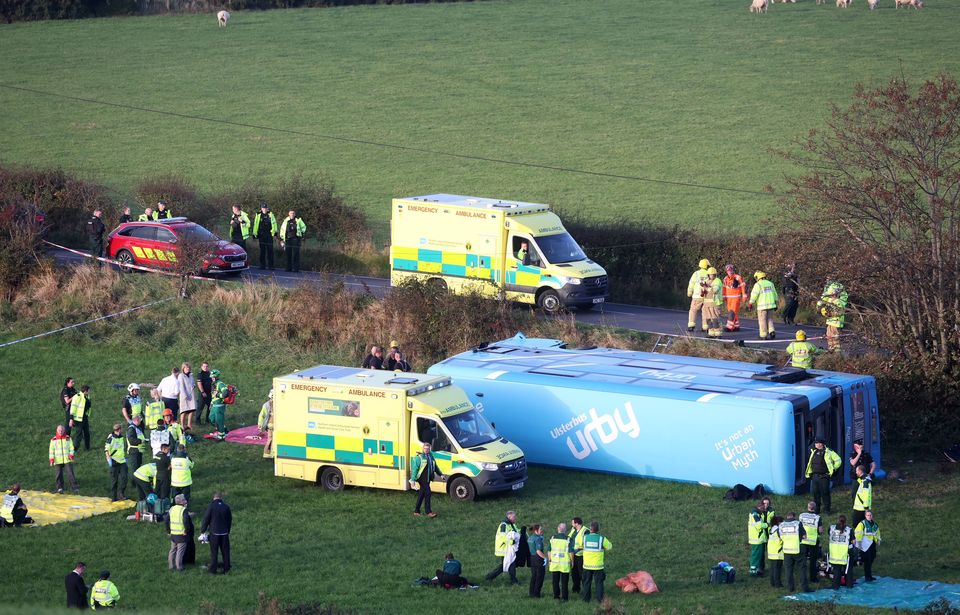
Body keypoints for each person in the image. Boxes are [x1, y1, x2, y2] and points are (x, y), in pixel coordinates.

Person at [805, 437, 842, 515]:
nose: (816, 444)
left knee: (825, 493)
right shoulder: (813, 451)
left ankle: (827, 510)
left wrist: (833, 469)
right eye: (816, 443)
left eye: (818, 443)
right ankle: (817, 509)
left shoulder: (829, 452)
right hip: (815, 476)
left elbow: (838, 460)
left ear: (822, 444)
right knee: (815, 493)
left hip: (824, 476)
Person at [200, 492, 233, 574]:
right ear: (221, 498)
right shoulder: (226, 507)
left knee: (214, 552)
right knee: (225, 551)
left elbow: (206, 519)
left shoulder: (211, 507)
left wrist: (203, 530)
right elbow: (229, 520)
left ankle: (213, 570)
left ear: (214, 498)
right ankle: (227, 568)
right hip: (224, 533)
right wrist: (228, 530)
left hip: (214, 533)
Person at [485, 510, 520, 584]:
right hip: (505, 548)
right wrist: (511, 542)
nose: (515, 518)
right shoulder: (504, 525)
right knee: (510, 563)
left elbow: (516, 532)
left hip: (508, 548)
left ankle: (490, 576)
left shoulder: (511, 524)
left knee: (506, 564)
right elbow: (503, 536)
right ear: (509, 517)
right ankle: (513, 580)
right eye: (514, 517)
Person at [580, 521, 612, 603]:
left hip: (587, 565)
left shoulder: (585, 538)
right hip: (598, 566)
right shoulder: (602, 538)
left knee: (586, 583)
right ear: (598, 529)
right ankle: (600, 600)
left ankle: (586, 599)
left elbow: (579, 546)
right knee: (599, 583)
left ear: (590, 529)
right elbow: (609, 547)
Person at [410, 442, 444, 517]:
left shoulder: (431, 456)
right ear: (423, 449)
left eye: (428, 449)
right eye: (425, 448)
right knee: (428, 493)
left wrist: (441, 474)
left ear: (430, 449)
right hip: (422, 479)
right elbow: (415, 469)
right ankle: (428, 512)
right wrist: (413, 480)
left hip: (428, 478)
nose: (426, 450)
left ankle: (416, 511)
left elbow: (435, 467)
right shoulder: (419, 457)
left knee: (421, 494)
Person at [780, 512, 810, 593]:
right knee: (802, 569)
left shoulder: (782, 525)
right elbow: (804, 536)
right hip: (797, 549)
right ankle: (805, 588)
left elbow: (780, 537)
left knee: (788, 570)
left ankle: (791, 588)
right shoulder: (797, 524)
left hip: (786, 550)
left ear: (787, 517)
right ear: (794, 517)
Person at [817, 281, 849, 352]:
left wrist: (829, 312)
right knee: (829, 336)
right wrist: (820, 305)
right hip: (830, 322)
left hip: (836, 322)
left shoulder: (840, 301)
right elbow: (823, 300)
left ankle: (837, 352)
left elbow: (838, 311)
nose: (830, 295)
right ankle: (831, 349)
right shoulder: (829, 299)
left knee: (835, 338)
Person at [748, 271, 779, 340]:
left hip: (762, 307)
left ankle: (763, 335)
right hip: (771, 306)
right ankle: (771, 331)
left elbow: (754, 295)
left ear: (757, 277)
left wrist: (750, 303)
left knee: (762, 321)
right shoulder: (770, 283)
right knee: (769, 319)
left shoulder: (758, 285)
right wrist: (776, 303)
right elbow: (775, 294)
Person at [799, 500, 824, 586]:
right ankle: (813, 578)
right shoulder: (817, 517)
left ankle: (802, 577)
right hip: (813, 542)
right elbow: (820, 530)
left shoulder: (801, 516)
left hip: (803, 540)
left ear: (808, 507)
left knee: (803, 560)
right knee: (813, 561)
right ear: (815, 508)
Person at [50, 424, 79, 494]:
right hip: (57, 460)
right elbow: (51, 450)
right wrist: (51, 459)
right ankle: (60, 488)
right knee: (58, 475)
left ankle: (74, 487)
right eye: (59, 430)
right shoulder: (53, 440)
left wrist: (71, 455)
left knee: (70, 473)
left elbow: (71, 448)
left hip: (67, 459)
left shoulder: (68, 438)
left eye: (62, 430)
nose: (60, 431)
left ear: (64, 431)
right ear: (57, 431)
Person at [167, 494, 193, 571]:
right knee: (180, 551)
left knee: (172, 550)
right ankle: (179, 567)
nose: (186, 500)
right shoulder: (183, 510)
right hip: (181, 534)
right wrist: (186, 530)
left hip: (173, 533)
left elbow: (166, 520)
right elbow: (186, 521)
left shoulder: (172, 509)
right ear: (181, 502)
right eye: (184, 499)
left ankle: (171, 566)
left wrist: (168, 530)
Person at [548, 522, 573, 601]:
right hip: (564, 564)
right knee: (564, 582)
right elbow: (571, 552)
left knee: (555, 581)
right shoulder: (568, 539)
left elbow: (549, 551)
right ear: (565, 530)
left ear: (558, 529)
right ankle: (565, 598)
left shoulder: (552, 538)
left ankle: (556, 596)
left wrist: (550, 560)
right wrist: (572, 561)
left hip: (555, 563)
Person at [828, 515, 855, 589]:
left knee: (836, 571)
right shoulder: (849, 530)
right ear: (845, 521)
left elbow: (829, 536)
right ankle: (849, 585)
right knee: (848, 570)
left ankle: (836, 586)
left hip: (835, 553)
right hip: (846, 553)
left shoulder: (832, 528)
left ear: (838, 520)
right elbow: (853, 541)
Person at [854, 510, 881, 582]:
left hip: (872, 544)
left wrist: (878, 540)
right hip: (865, 545)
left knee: (872, 558)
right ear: (865, 516)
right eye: (868, 515)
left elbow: (877, 532)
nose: (869, 516)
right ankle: (867, 576)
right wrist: (859, 543)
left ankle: (869, 575)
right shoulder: (862, 524)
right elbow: (858, 533)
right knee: (867, 561)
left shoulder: (875, 524)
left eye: (870, 515)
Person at [686, 258, 712, 332]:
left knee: (693, 310)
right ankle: (705, 327)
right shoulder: (709, 274)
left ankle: (691, 325)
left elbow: (691, 284)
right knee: (706, 311)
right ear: (707, 266)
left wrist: (689, 292)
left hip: (697, 296)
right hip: (707, 296)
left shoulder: (696, 273)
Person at [104, 423, 128, 501]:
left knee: (124, 478)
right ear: (119, 430)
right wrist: (109, 460)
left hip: (122, 461)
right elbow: (106, 450)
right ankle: (114, 497)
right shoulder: (111, 438)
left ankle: (121, 493)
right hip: (114, 462)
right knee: (114, 481)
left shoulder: (121, 437)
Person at [748, 498, 771, 576]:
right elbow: (759, 526)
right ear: (760, 507)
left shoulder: (755, 513)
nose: (763, 510)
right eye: (762, 509)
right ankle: (753, 572)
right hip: (757, 539)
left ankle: (755, 570)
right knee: (756, 556)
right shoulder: (755, 514)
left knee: (757, 556)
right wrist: (767, 524)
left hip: (757, 538)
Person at [722, 264, 748, 332]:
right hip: (728, 298)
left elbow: (742, 286)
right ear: (726, 271)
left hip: (736, 297)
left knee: (732, 312)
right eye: (728, 270)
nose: (730, 271)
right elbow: (724, 288)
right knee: (733, 312)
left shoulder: (738, 277)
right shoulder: (725, 279)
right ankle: (736, 326)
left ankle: (729, 327)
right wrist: (723, 296)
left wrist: (744, 295)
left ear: (733, 270)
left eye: (731, 270)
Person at [253, 202, 278, 270]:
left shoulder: (271, 215)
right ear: (261, 209)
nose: (264, 209)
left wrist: (275, 234)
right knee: (262, 251)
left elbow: (274, 225)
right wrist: (255, 234)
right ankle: (262, 265)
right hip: (261, 235)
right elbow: (255, 225)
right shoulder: (258, 215)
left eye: (265, 208)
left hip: (269, 235)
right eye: (263, 208)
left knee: (270, 251)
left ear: (267, 209)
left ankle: (271, 266)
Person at [69, 384, 91, 452]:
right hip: (78, 419)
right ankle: (75, 448)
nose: (90, 392)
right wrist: (71, 419)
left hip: (84, 418)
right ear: (85, 391)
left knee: (87, 433)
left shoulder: (87, 396)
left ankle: (87, 448)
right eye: (89, 390)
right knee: (79, 434)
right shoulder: (77, 396)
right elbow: (73, 408)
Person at [702, 267, 724, 338]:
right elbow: (702, 291)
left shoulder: (717, 281)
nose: (712, 276)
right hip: (707, 304)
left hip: (715, 303)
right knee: (708, 319)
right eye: (710, 275)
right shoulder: (706, 281)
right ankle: (711, 333)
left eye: (713, 274)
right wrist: (703, 288)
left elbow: (715, 290)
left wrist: (707, 288)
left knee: (715, 319)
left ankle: (718, 333)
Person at [568, 517, 587, 593]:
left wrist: (579, 549)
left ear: (577, 523)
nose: (571, 524)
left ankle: (585, 589)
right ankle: (576, 589)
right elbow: (569, 538)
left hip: (581, 556)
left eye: (573, 523)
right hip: (573, 555)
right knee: (574, 573)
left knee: (582, 573)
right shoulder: (573, 530)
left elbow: (586, 544)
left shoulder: (586, 531)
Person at [177, 362, 197, 435]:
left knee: (192, 409)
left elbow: (192, 382)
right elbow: (181, 386)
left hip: (191, 394)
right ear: (183, 368)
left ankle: (189, 424)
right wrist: (185, 395)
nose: (187, 369)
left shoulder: (191, 375)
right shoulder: (181, 376)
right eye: (186, 367)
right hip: (184, 395)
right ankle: (182, 425)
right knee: (184, 411)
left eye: (188, 367)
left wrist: (193, 385)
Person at [527, 523, 546, 598]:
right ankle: (536, 594)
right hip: (538, 559)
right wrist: (545, 558)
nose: (542, 530)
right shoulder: (538, 539)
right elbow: (539, 551)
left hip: (532, 558)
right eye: (540, 529)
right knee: (540, 577)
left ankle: (531, 593)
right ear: (536, 530)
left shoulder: (530, 537)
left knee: (534, 576)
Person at [851, 464, 873, 530]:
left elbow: (866, 495)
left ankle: (857, 537)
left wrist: (866, 507)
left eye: (857, 471)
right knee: (863, 525)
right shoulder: (864, 479)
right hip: (862, 507)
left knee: (856, 525)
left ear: (860, 471)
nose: (856, 472)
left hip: (860, 508)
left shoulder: (865, 482)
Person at [767, 515, 785, 588]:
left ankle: (773, 583)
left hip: (771, 551)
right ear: (779, 522)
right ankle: (778, 584)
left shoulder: (771, 529)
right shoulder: (778, 530)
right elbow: (783, 538)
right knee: (777, 569)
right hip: (778, 552)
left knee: (773, 568)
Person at [209, 370, 229, 434]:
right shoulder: (213, 384)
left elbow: (226, 393)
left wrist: (218, 395)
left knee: (219, 421)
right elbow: (213, 395)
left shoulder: (220, 384)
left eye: (213, 377)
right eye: (211, 377)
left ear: (217, 377)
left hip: (219, 406)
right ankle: (223, 428)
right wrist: (211, 404)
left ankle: (222, 436)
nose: (212, 378)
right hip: (214, 406)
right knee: (211, 419)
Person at [258, 389, 274, 459]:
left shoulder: (266, 405)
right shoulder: (278, 404)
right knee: (272, 439)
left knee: (270, 439)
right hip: (273, 425)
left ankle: (267, 453)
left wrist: (260, 424)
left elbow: (261, 415)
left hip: (270, 425)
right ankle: (270, 453)